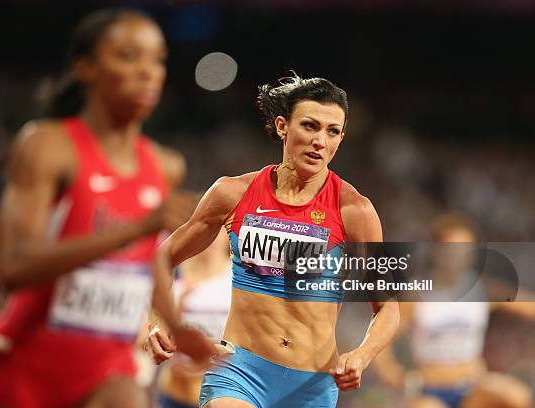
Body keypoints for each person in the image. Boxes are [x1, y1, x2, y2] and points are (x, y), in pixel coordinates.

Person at [0, 8, 213, 408]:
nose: (149, 72)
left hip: (107, 368)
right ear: (86, 68)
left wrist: (176, 327)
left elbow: (143, 263)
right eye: (129, 56)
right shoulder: (47, 146)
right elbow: (11, 267)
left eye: (158, 59)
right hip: (22, 364)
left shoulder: (165, 165)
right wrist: (132, 229)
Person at [147, 74, 400, 408]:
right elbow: (162, 258)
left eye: (332, 131)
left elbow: (387, 308)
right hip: (240, 370)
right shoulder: (232, 194)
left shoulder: (355, 211)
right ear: (282, 126)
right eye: (310, 126)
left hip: (311, 384)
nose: (320, 142)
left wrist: (362, 355)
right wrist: (156, 321)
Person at [373, 212, 534, 408]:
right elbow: (381, 339)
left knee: (517, 396)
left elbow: (526, 306)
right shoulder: (417, 294)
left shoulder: (481, 289)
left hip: (472, 385)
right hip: (430, 387)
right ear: (437, 251)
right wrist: (391, 372)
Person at [153, 230, 232, 408]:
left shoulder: (238, 280)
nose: (209, 237)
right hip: (174, 393)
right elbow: (147, 337)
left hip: (220, 397)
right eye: (206, 228)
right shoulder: (171, 275)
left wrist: (209, 353)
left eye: (217, 229)